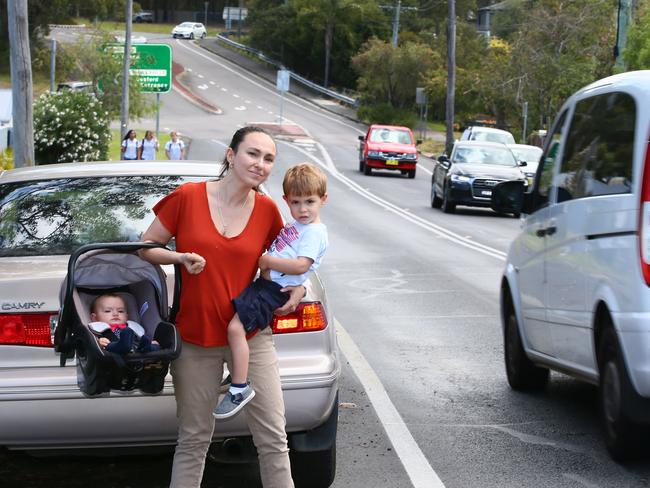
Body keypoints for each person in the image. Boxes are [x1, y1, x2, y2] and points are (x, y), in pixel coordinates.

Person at [139, 126, 303, 488]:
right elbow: (145, 246)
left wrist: (299, 286)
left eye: (268, 158)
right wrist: (179, 257)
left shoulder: (267, 210)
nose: (260, 164)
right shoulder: (188, 196)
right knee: (194, 439)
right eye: (253, 153)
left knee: (274, 439)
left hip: (252, 336)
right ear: (231, 155)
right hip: (195, 340)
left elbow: (288, 260)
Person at [213, 163, 328, 420]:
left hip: (274, 289)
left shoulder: (313, 232)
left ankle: (239, 388)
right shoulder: (298, 226)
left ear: (323, 199)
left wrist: (266, 262)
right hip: (267, 285)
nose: (303, 209)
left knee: (235, 328)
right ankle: (239, 371)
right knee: (233, 323)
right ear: (286, 200)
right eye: (296, 202)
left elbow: (302, 264)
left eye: (310, 201)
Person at [89, 293, 160, 354]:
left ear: (126, 316)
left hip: (136, 349)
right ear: (94, 317)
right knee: (120, 341)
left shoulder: (131, 327)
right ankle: (124, 345)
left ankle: (147, 348)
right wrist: (98, 342)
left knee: (154, 345)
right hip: (113, 349)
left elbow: (140, 338)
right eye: (108, 311)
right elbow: (90, 342)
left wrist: (150, 342)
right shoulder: (98, 329)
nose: (115, 314)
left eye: (120, 311)